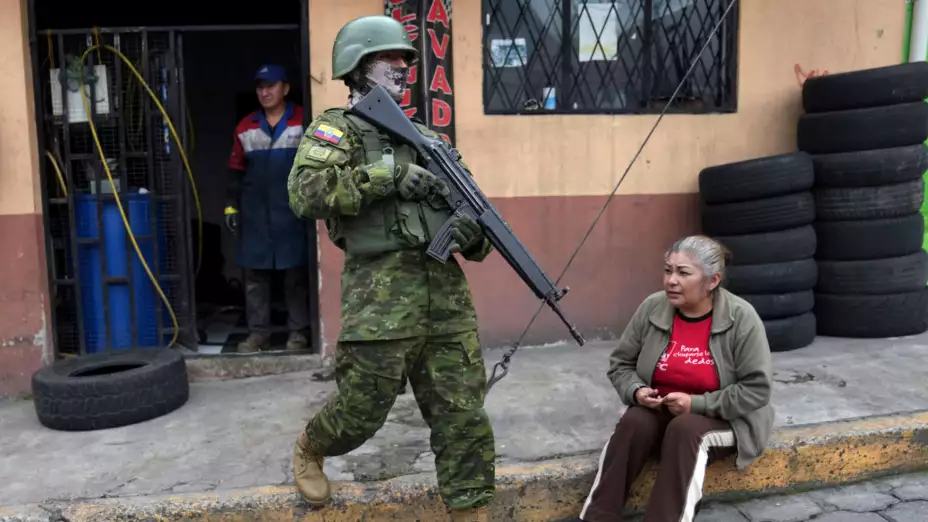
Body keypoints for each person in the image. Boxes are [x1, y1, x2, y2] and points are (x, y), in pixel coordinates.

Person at [285, 15, 496, 522]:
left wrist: (473, 233)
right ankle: (310, 447)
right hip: (379, 303)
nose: (404, 67)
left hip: (446, 302)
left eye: (407, 59)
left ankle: (472, 513)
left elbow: (477, 218)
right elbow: (305, 193)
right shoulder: (337, 129)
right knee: (361, 411)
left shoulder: (430, 138)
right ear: (358, 67)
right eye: (391, 58)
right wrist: (386, 176)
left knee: (464, 418)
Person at [579, 235, 775, 522]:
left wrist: (695, 404)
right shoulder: (652, 308)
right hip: (662, 413)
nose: (671, 280)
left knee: (686, 429)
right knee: (635, 420)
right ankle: (598, 517)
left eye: (683, 273)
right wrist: (636, 392)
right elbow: (621, 364)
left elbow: (756, 391)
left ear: (712, 281)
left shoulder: (741, 318)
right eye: (668, 270)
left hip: (726, 419)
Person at [226, 64, 311, 353]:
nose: (265, 92)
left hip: (292, 214)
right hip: (256, 215)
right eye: (261, 87)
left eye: (271, 86)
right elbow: (235, 171)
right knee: (255, 279)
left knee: (295, 277)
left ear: (285, 88)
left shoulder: (303, 121)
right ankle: (258, 335)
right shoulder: (246, 126)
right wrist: (230, 207)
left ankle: (298, 334)